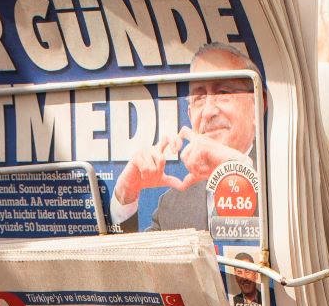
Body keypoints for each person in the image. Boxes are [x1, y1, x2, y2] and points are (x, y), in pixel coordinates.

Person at [111, 43, 264, 233]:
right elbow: (132, 263)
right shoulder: (172, 206)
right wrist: (126, 193)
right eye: (199, 97)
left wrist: (236, 170)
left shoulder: (284, 178)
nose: (208, 112)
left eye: (223, 93)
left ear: (257, 105)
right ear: (190, 115)